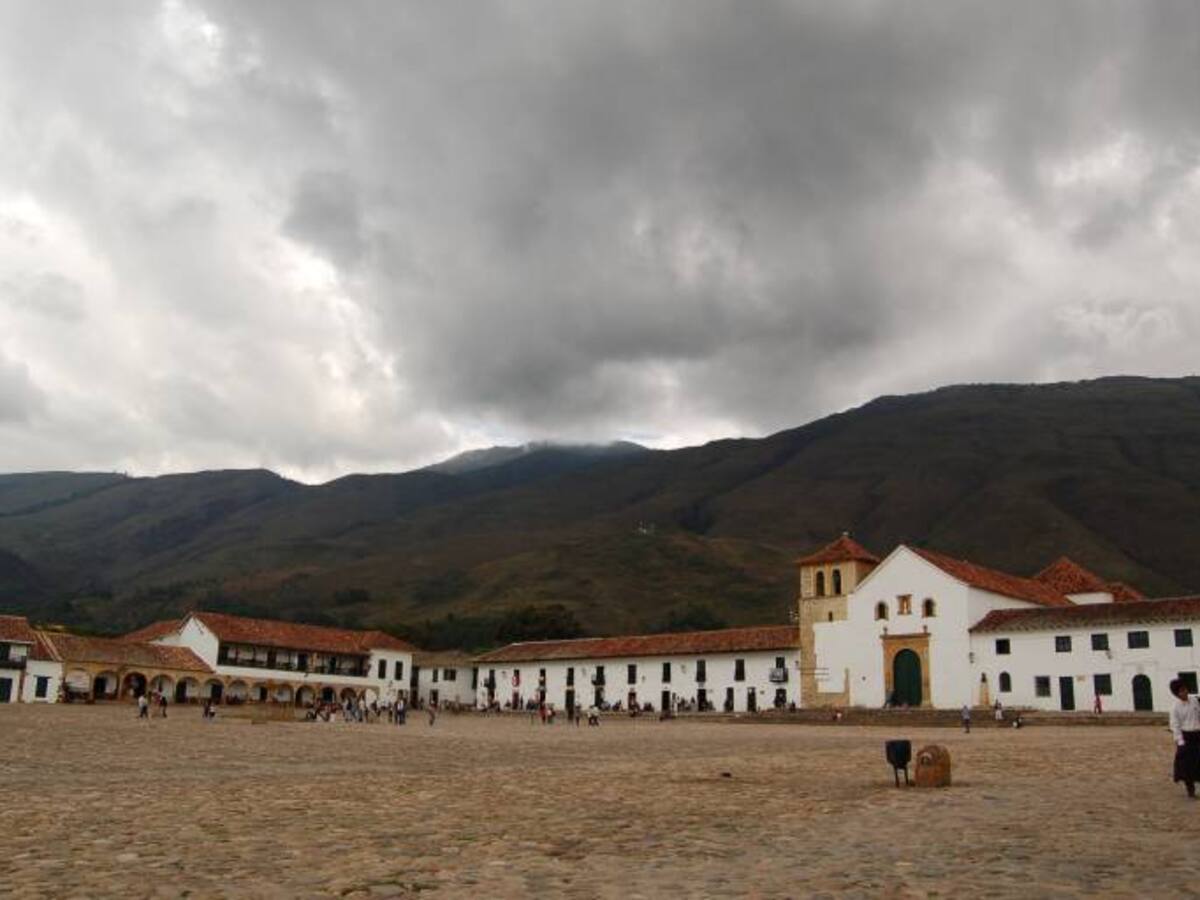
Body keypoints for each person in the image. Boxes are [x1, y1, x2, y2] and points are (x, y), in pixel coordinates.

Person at [1169, 677, 1200, 799]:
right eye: (1181, 691)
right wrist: (1180, 741)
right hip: (1186, 737)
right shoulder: (1175, 708)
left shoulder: (1195, 700)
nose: (1184, 693)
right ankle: (1190, 790)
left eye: (1185, 689)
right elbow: (1175, 725)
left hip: (1198, 734)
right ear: (1176, 694)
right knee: (1187, 766)